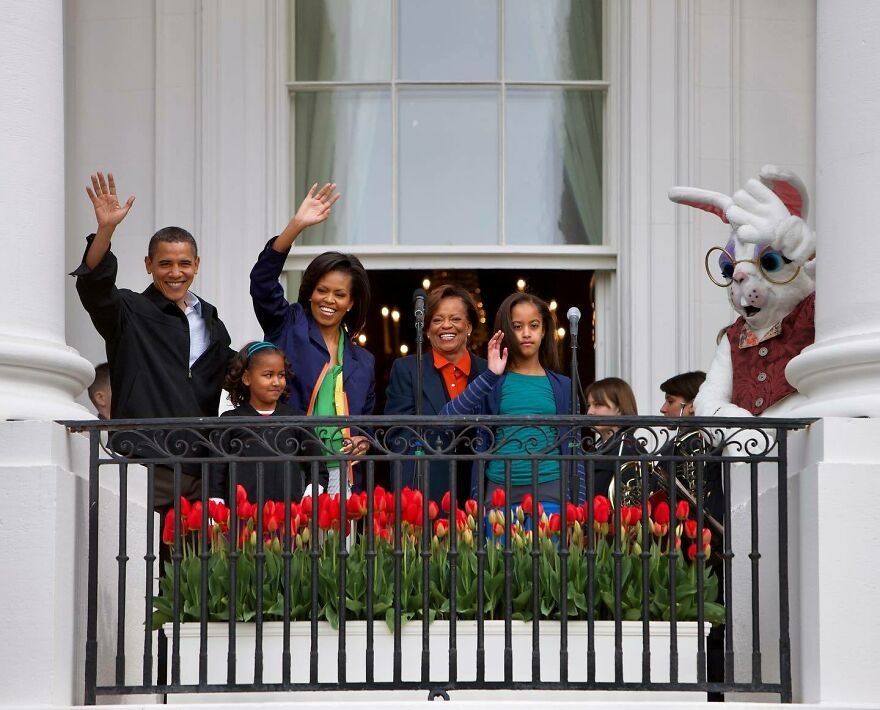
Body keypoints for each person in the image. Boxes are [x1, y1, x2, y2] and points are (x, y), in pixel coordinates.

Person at [72, 172, 234, 505]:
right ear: (149, 265)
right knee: (139, 557)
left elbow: (241, 371)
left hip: (200, 468)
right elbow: (94, 288)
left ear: (197, 265)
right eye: (165, 264)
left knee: (194, 559)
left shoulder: (210, 320)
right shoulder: (130, 310)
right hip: (144, 459)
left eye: (184, 263)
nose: (176, 273)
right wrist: (106, 230)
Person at [250, 183, 374, 495]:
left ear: (351, 302)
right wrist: (296, 227)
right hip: (291, 462)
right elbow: (262, 282)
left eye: (339, 294)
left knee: (338, 545)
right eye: (322, 290)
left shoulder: (364, 361)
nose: (328, 300)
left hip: (340, 470)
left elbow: (365, 420)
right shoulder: (289, 324)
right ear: (310, 291)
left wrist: (363, 438)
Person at [438, 293, 577, 512]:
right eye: (517, 326)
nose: (526, 333)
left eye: (534, 325)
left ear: (543, 330)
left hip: (551, 490)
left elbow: (575, 449)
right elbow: (446, 420)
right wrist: (490, 375)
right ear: (506, 331)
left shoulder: (563, 386)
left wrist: (578, 511)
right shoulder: (492, 382)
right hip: (500, 491)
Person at [384, 284, 489, 505]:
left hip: (480, 490)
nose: (446, 326)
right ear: (427, 329)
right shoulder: (407, 370)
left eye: (455, 319)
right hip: (427, 492)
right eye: (437, 320)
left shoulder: (489, 371)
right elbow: (398, 437)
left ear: (469, 326)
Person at [209, 341, 327, 503]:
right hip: (242, 520)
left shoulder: (297, 419)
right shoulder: (229, 421)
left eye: (281, 375)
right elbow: (216, 474)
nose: (276, 382)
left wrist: (308, 500)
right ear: (247, 378)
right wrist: (217, 511)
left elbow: (317, 468)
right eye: (268, 375)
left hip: (287, 520)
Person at [658, 370, 724, 528]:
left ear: (693, 405)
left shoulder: (711, 443)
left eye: (670, 401)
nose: (663, 408)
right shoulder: (674, 445)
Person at [584, 377, 644, 505]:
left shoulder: (627, 449)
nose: (589, 412)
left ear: (620, 409)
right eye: (589, 405)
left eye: (598, 404)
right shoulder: (597, 447)